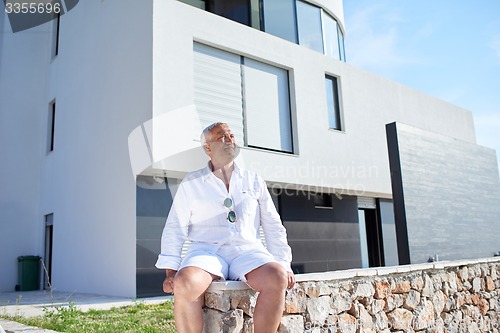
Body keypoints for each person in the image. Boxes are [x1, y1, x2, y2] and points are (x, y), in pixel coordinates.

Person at [156, 122, 295, 333]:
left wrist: (284, 262)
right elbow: (175, 226)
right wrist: (171, 272)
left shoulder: (254, 180)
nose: (230, 139)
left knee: (277, 276)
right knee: (184, 283)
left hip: (248, 251)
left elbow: (273, 225)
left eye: (231, 135)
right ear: (208, 148)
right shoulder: (192, 182)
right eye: (222, 136)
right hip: (206, 252)